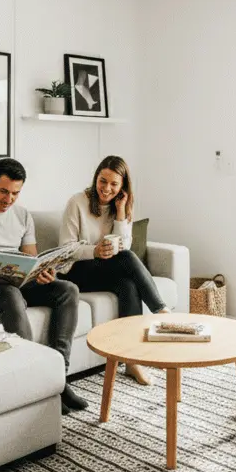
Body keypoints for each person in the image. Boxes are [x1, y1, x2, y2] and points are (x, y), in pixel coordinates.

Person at [0, 159, 87, 415]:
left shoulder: (23, 216)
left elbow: (30, 259)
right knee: (11, 294)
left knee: (67, 290)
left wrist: (44, 272)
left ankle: (59, 376)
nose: (9, 199)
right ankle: (36, 379)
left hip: (14, 282)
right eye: (3, 191)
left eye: (15, 193)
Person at [59, 156, 168, 386]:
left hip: (103, 271)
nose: (106, 188)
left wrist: (120, 213)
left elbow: (123, 246)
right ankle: (161, 311)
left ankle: (131, 360)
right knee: (127, 259)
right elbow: (65, 249)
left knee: (128, 286)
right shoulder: (77, 202)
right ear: (96, 178)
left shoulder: (121, 205)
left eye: (114, 184)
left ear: (122, 187)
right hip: (75, 271)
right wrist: (95, 251)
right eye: (102, 181)